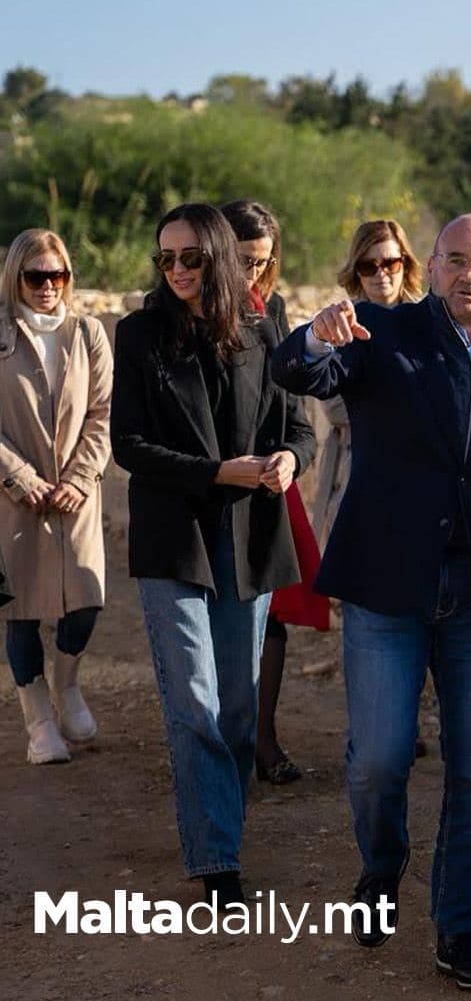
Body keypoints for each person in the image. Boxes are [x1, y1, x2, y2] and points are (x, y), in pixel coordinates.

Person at [271, 213, 471, 991]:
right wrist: (315, 336)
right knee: (378, 762)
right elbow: (297, 373)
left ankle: (460, 929)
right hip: (386, 588)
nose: (470, 276)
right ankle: (382, 865)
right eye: (456, 261)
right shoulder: (377, 331)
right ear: (431, 266)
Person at [111, 203, 314, 907]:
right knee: (193, 701)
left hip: (249, 541)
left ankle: (221, 821)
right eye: (165, 259)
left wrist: (289, 458)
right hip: (174, 539)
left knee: (235, 708)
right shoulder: (138, 334)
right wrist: (216, 472)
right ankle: (217, 860)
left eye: (190, 258)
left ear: (222, 258)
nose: (176, 271)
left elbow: (300, 430)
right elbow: (128, 445)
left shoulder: (264, 331)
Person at [222, 199, 328, 786]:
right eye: (242, 261)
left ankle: (263, 737)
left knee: (273, 618)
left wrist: (290, 453)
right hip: (214, 484)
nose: (254, 276)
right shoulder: (183, 309)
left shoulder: (275, 307)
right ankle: (222, 744)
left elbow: (290, 401)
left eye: (264, 263)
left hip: (267, 481)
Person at [0, 229, 111, 765]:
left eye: (58, 275)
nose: (48, 287)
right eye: (36, 276)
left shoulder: (87, 333)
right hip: (12, 499)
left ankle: (68, 686)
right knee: (20, 611)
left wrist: (81, 477)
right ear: (16, 278)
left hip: (76, 494)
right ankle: (39, 721)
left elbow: (103, 412)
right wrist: (19, 478)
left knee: (84, 604)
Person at [311, 219, 425, 548]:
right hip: (355, 475)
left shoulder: (430, 323)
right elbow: (333, 405)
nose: (381, 274)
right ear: (356, 271)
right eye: (368, 266)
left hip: (417, 480)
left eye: (389, 262)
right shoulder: (339, 324)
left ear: (405, 262)